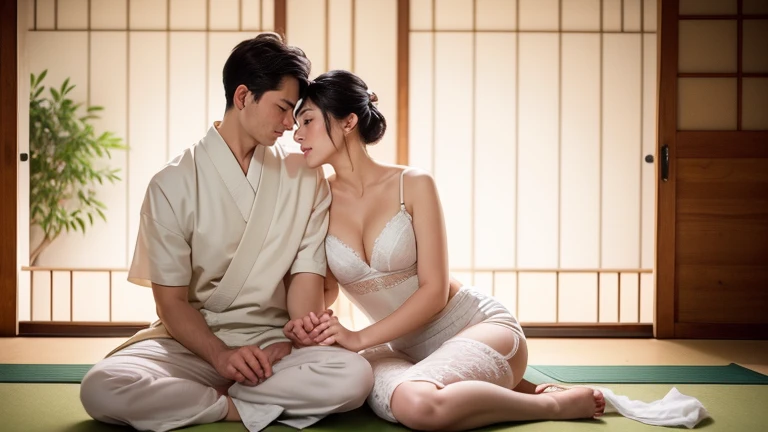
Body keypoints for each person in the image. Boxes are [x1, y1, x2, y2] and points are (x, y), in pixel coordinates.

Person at [79, 35, 373, 432]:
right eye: (283, 108)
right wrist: (220, 357)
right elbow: (171, 304)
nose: (290, 125)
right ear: (242, 96)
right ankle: (235, 406)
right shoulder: (172, 183)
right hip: (192, 343)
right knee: (101, 387)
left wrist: (298, 335)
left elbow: (306, 278)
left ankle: (204, 400)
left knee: (354, 376)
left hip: (274, 346)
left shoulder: (304, 176)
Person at [290, 69, 605, 431]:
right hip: (397, 348)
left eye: (308, 120)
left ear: (348, 122)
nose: (298, 134)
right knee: (403, 401)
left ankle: (554, 404)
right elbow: (324, 290)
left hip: (471, 326)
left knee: (419, 405)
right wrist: (310, 324)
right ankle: (524, 391)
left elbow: (435, 290)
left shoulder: (413, 184)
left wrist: (358, 338)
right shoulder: (319, 199)